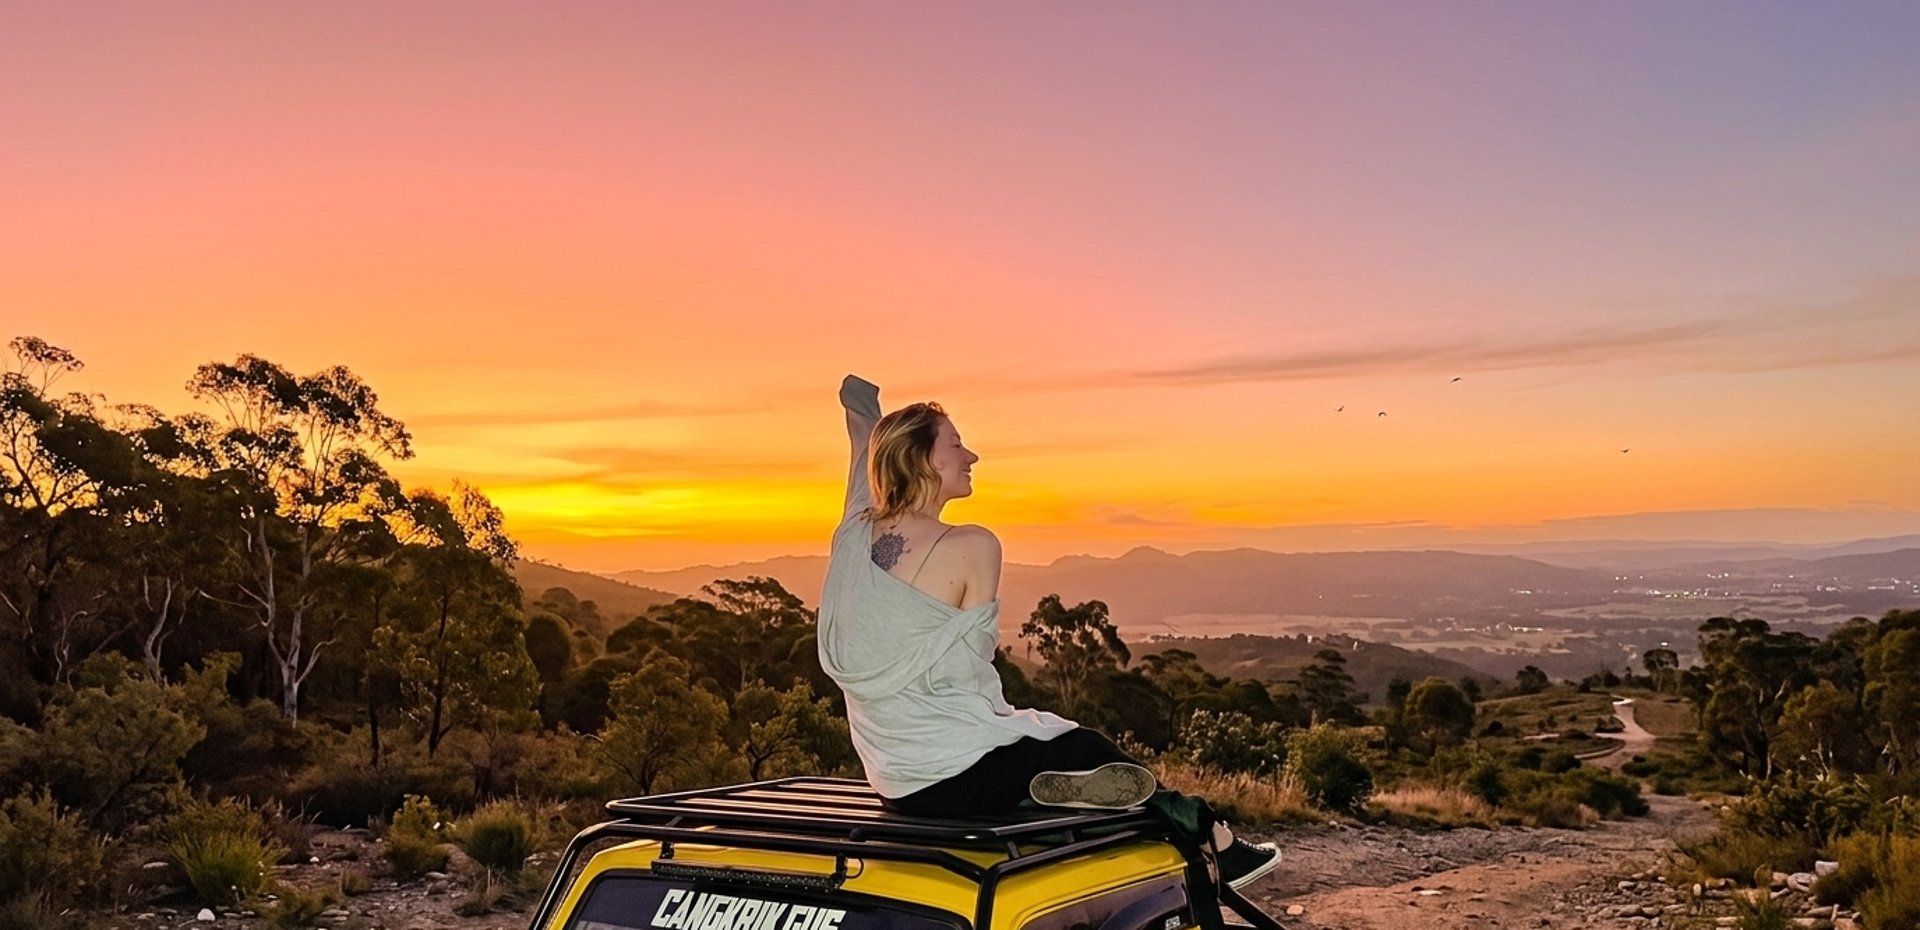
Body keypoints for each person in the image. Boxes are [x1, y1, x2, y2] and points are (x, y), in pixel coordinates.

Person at [818, 374, 1280, 892]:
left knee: (1044, 747)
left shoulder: (853, 534)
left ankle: (1042, 790)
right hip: (961, 773)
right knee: (1081, 743)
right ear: (925, 459)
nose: (971, 456)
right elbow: (972, 668)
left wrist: (862, 402)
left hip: (897, 782)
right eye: (956, 443)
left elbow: (863, 445)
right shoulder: (972, 545)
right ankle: (1211, 836)